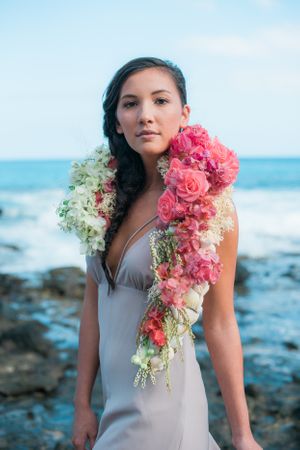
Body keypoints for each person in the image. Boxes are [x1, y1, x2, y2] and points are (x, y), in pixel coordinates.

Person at [71, 57, 263, 450]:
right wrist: (81, 404)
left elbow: (221, 323)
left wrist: (242, 436)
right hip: (114, 404)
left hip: (163, 407)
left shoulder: (209, 208)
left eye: (160, 101)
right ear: (116, 120)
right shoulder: (104, 198)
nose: (145, 115)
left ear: (184, 113)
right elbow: (93, 307)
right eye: (130, 104)